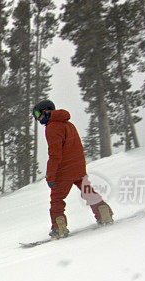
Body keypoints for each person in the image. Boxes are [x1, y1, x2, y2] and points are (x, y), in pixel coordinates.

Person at [33, 99, 114, 239]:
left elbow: (55, 154)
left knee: (57, 199)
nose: (37, 118)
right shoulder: (68, 124)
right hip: (78, 167)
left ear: (46, 111)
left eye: (37, 114)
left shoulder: (52, 127)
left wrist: (50, 175)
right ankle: (103, 213)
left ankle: (59, 228)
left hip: (65, 170)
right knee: (87, 191)